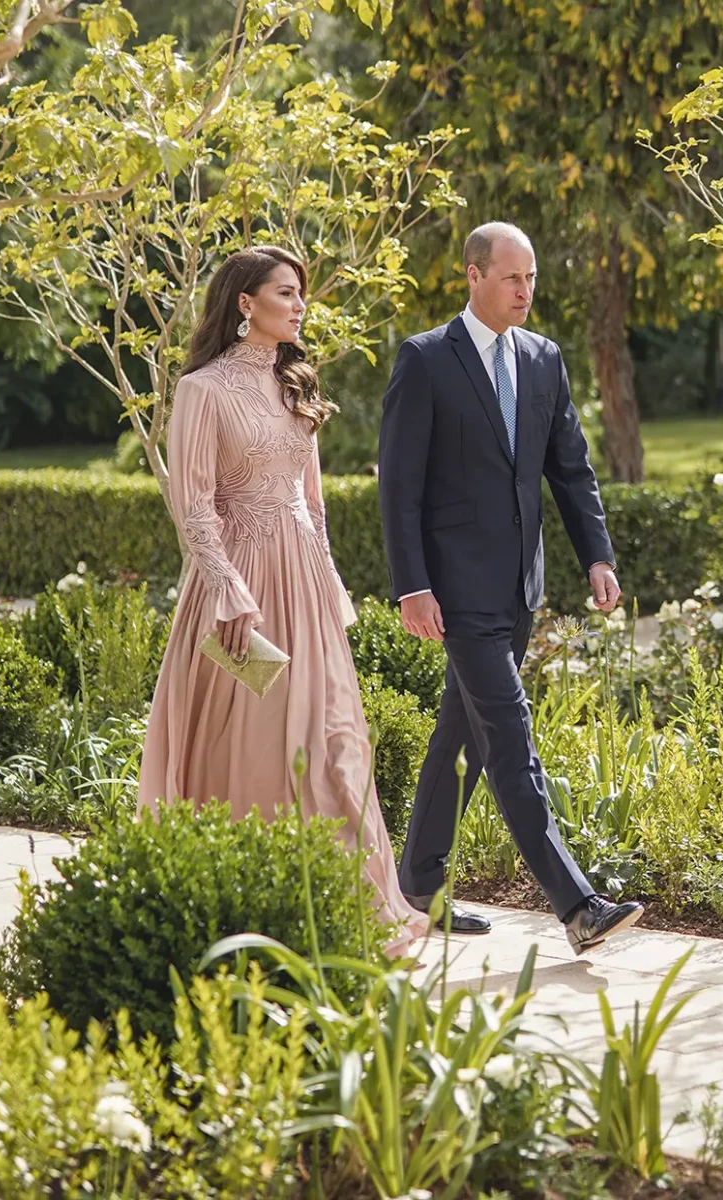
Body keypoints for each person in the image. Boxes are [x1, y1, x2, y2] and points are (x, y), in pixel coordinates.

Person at [138, 245, 426, 956]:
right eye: (286, 293)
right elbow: (193, 503)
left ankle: (347, 909)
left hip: (304, 587)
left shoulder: (299, 381)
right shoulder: (202, 391)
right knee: (257, 746)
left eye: (301, 294)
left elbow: (314, 502)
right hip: (242, 592)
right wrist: (227, 590)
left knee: (333, 743)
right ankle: (250, 907)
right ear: (245, 304)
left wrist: (329, 585)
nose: (300, 305)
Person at [378, 221, 643, 956]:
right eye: (511, 278)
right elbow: (399, 488)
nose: (525, 291)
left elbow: (571, 469)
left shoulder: (545, 359)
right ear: (473, 275)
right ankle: (578, 905)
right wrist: (412, 587)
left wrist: (597, 555)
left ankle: (418, 886)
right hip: (455, 592)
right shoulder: (426, 361)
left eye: (531, 279)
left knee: (458, 734)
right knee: (509, 737)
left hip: (519, 587)